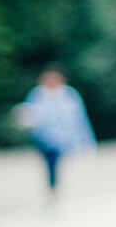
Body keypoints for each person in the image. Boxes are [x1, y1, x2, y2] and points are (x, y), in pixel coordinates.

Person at [12, 65, 95, 197]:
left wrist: (86, 140)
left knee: (55, 161)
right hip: (43, 138)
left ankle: (54, 186)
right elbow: (31, 114)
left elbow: (79, 119)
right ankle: (53, 186)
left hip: (61, 138)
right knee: (49, 162)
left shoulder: (69, 95)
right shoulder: (38, 94)